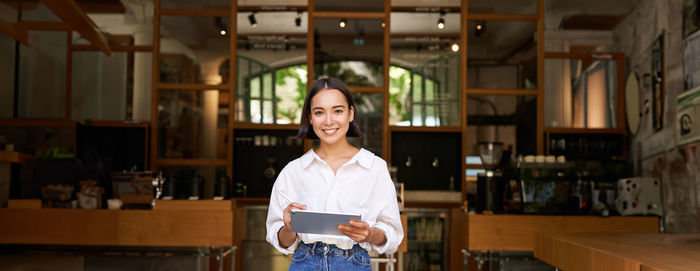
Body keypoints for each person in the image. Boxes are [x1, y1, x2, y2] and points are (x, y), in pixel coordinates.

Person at [266, 77, 403, 270]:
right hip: (305, 262)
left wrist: (370, 234)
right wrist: (289, 228)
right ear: (310, 118)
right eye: (319, 112)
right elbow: (279, 238)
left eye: (337, 111)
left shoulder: (374, 168)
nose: (329, 121)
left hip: (354, 262)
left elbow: (392, 233)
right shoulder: (294, 171)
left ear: (350, 114)